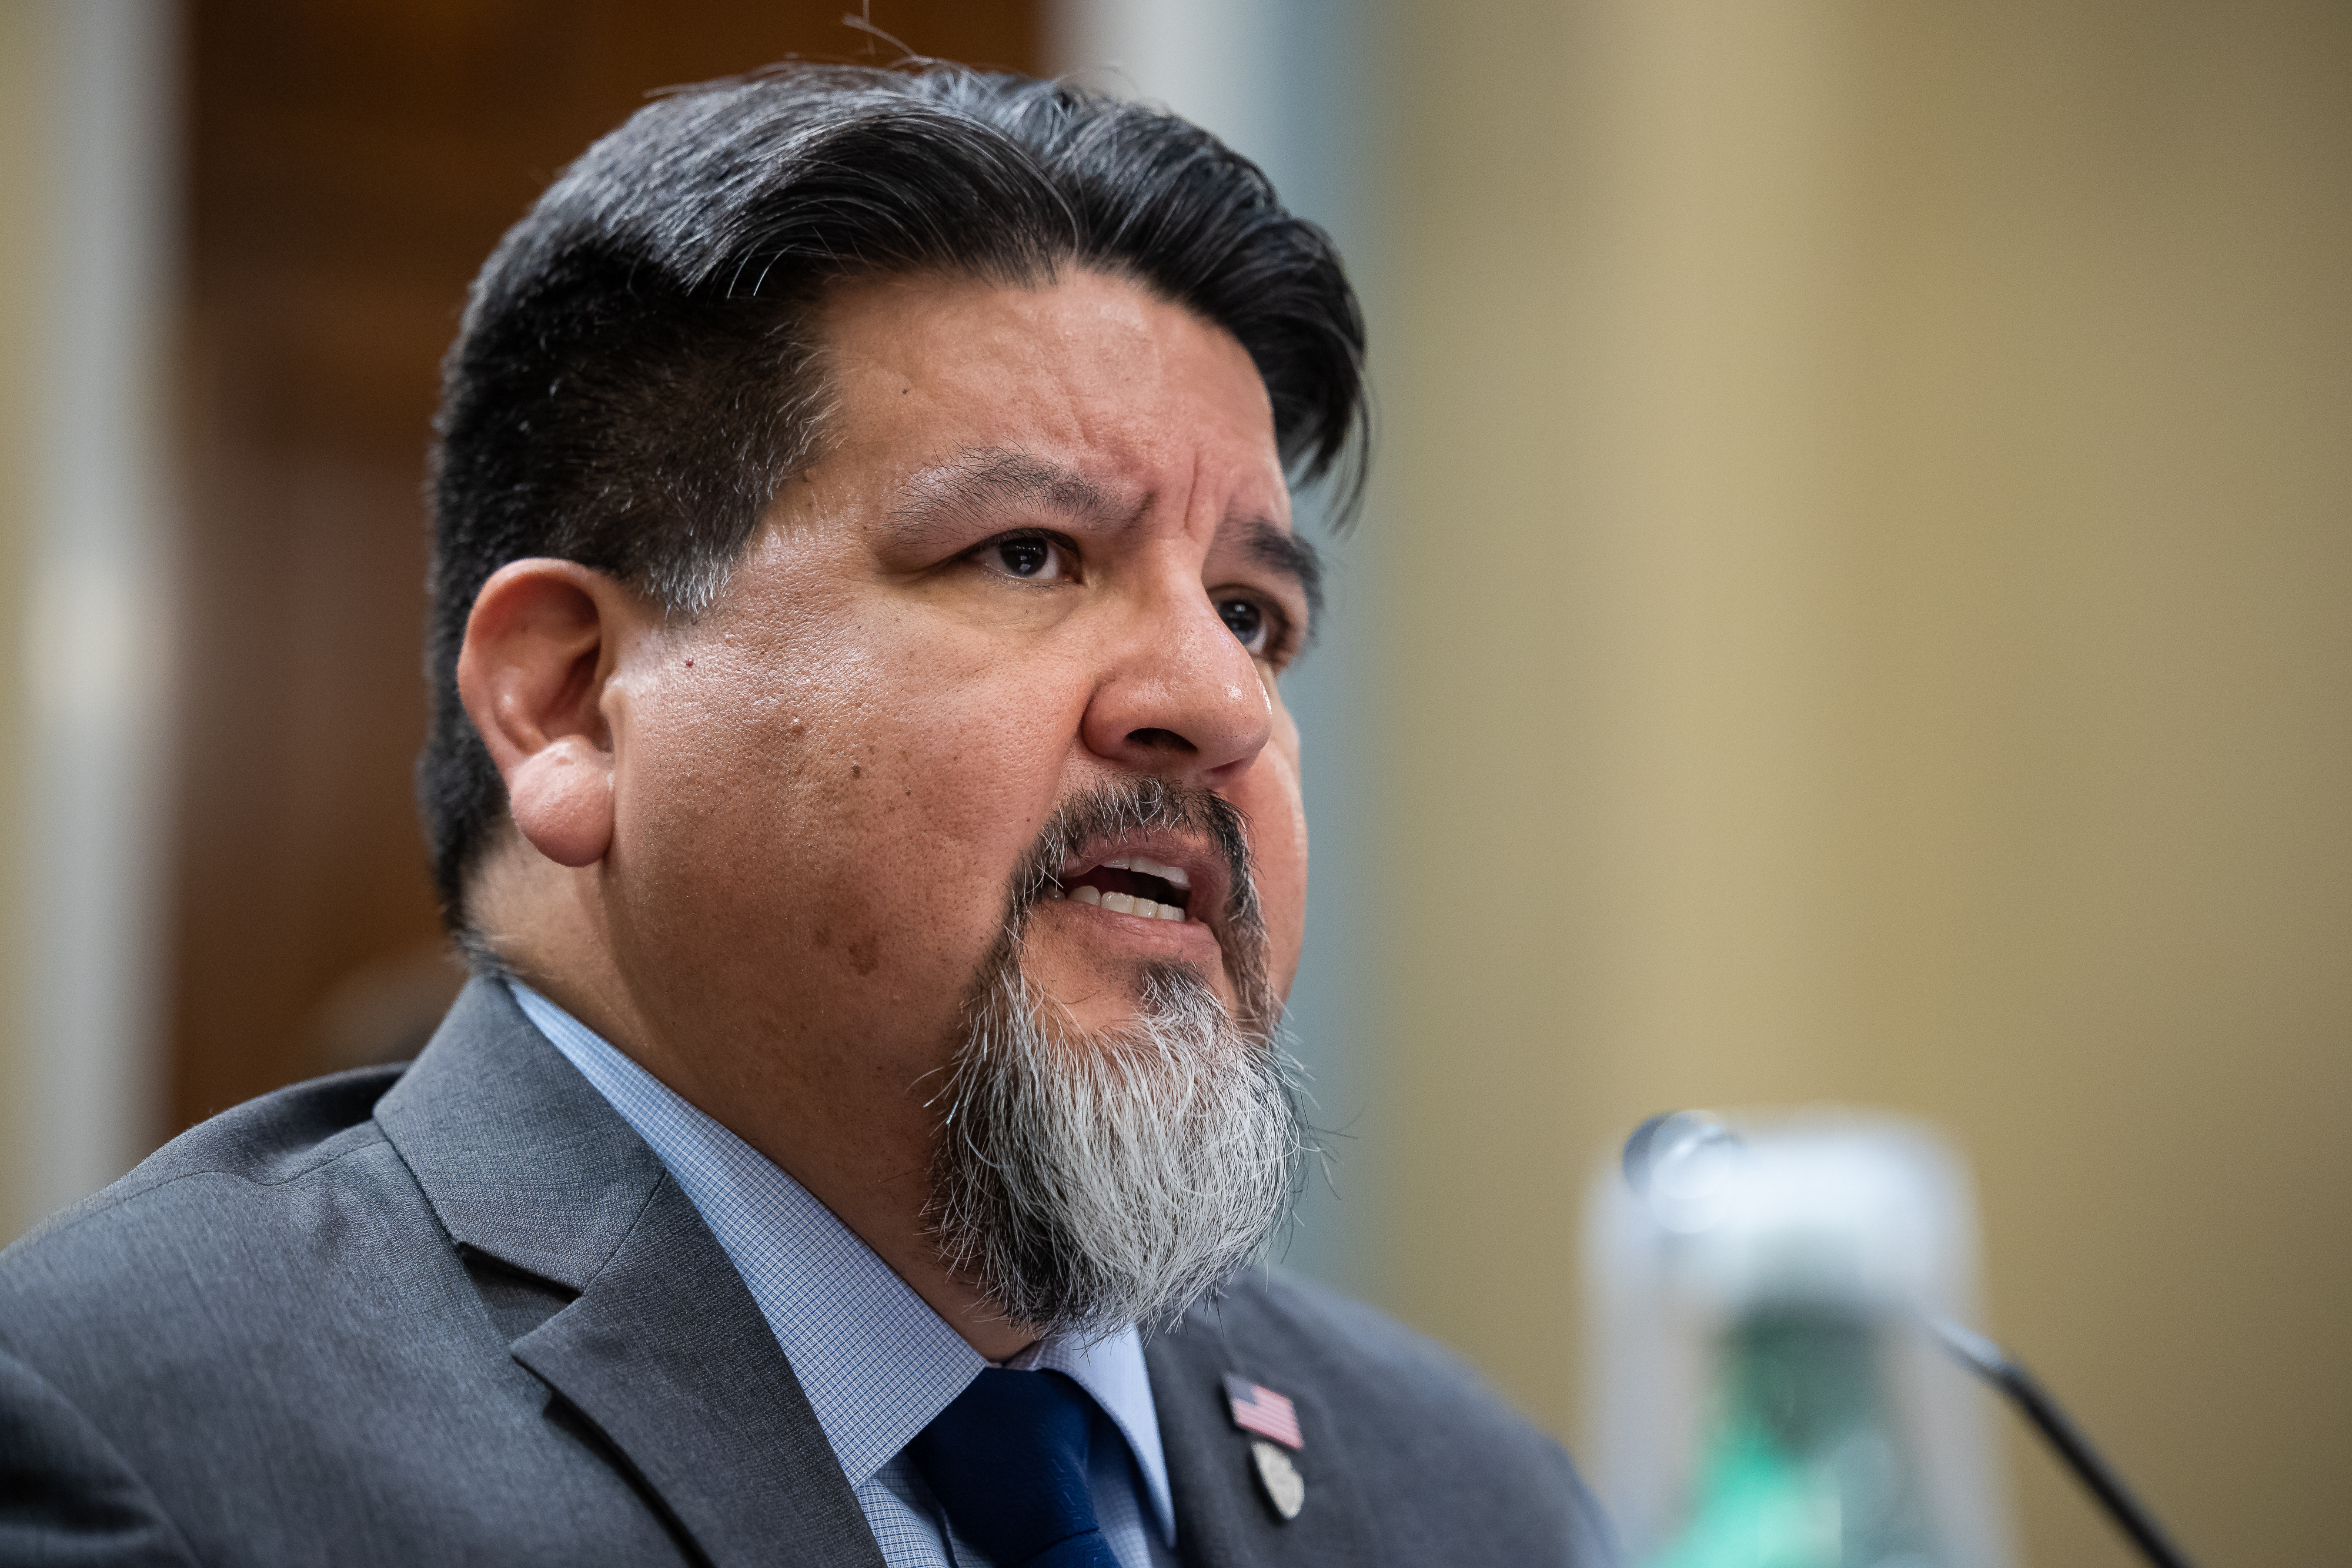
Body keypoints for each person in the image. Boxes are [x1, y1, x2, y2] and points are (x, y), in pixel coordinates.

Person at [0, 65, 1616, 1567]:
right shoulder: (139, 1437)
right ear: (570, 700)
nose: (1220, 698)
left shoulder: (1470, 1497)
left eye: (1255, 611)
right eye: (1030, 552)